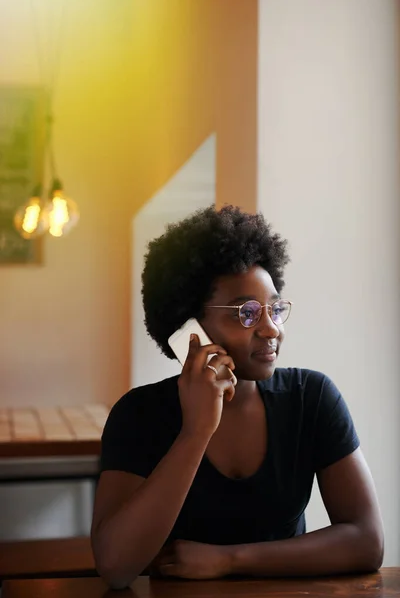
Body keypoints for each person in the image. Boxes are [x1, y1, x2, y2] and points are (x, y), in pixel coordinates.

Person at [91, 205, 384, 589]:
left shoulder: (310, 399)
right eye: (246, 313)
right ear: (190, 329)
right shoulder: (139, 414)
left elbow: (366, 541)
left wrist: (229, 560)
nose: (271, 329)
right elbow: (115, 566)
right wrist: (196, 432)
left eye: (274, 309)